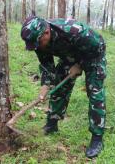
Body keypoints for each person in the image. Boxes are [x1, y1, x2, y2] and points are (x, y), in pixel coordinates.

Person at [20, 16, 107, 158]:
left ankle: (97, 138)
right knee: (59, 86)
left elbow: (98, 46)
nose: (38, 47)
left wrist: (80, 64)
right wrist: (45, 85)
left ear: (46, 33)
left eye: (38, 43)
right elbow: (46, 64)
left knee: (95, 92)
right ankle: (52, 124)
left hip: (93, 55)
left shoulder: (73, 30)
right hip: (70, 56)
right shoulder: (38, 41)